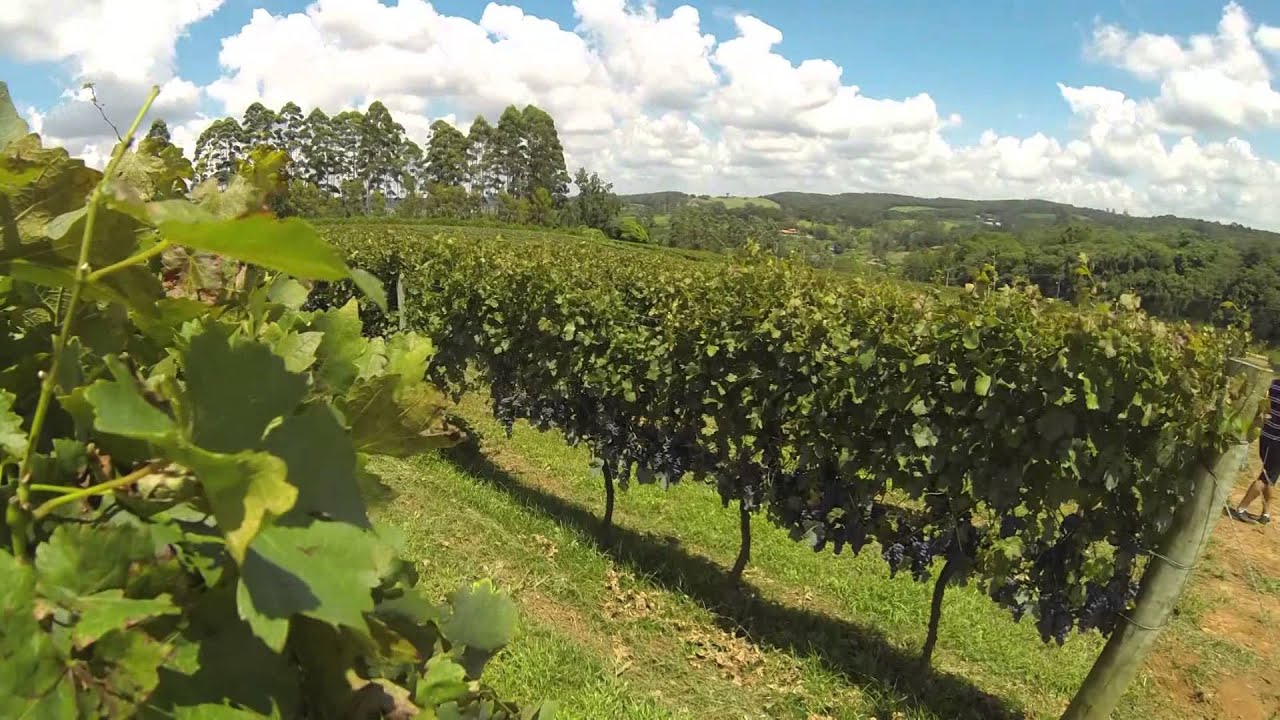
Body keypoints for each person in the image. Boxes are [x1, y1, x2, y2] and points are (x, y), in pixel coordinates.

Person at [1230, 376, 1280, 525]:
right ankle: (1242, 508)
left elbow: (1263, 406)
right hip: (1277, 441)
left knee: (1269, 477)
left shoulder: (1274, 384)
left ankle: (1266, 512)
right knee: (1266, 478)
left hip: (1266, 436)